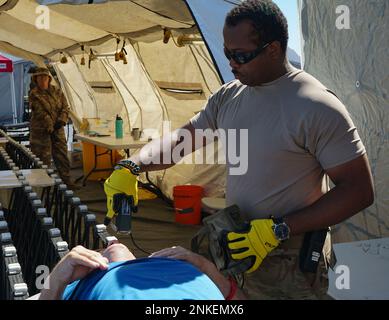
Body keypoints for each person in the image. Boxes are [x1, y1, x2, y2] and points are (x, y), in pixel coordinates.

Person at [107, 0, 374, 299]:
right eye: (227, 53)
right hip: (235, 246)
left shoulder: (316, 107)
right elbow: (182, 141)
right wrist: (132, 165)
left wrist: (278, 230)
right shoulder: (229, 97)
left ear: (273, 49)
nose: (231, 63)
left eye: (240, 55)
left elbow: (359, 191)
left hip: (287, 259)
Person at [30, 244, 245, 300]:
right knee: (118, 249)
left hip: (92, 280)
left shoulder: (78, 283)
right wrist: (203, 266)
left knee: (117, 249)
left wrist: (59, 276)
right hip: (183, 269)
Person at [29, 67, 76, 188]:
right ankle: (43, 185)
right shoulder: (34, 94)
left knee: (61, 155)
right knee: (42, 158)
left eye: (45, 77)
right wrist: (50, 125)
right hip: (41, 131)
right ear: (36, 79)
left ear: (49, 79)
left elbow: (65, 107)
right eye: (40, 78)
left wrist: (61, 120)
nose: (42, 80)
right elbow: (40, 112)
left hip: (58, 128)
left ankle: (67, 181)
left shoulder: (57, 91)